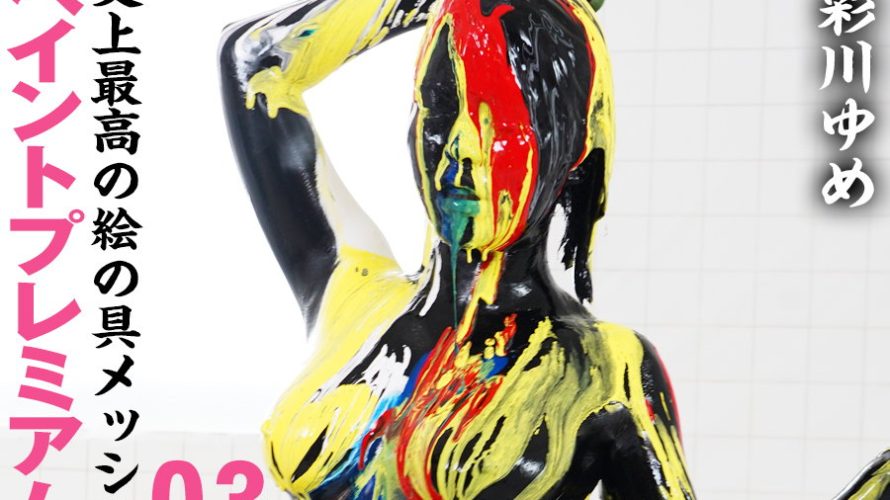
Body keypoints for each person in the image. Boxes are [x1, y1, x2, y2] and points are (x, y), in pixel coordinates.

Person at [218, 0, 689, 497]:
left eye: (504, 122)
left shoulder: (606, 370)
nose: (462, 149)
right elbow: (252, 58)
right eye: (440, 107)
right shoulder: (353, 299)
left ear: (573, 146)